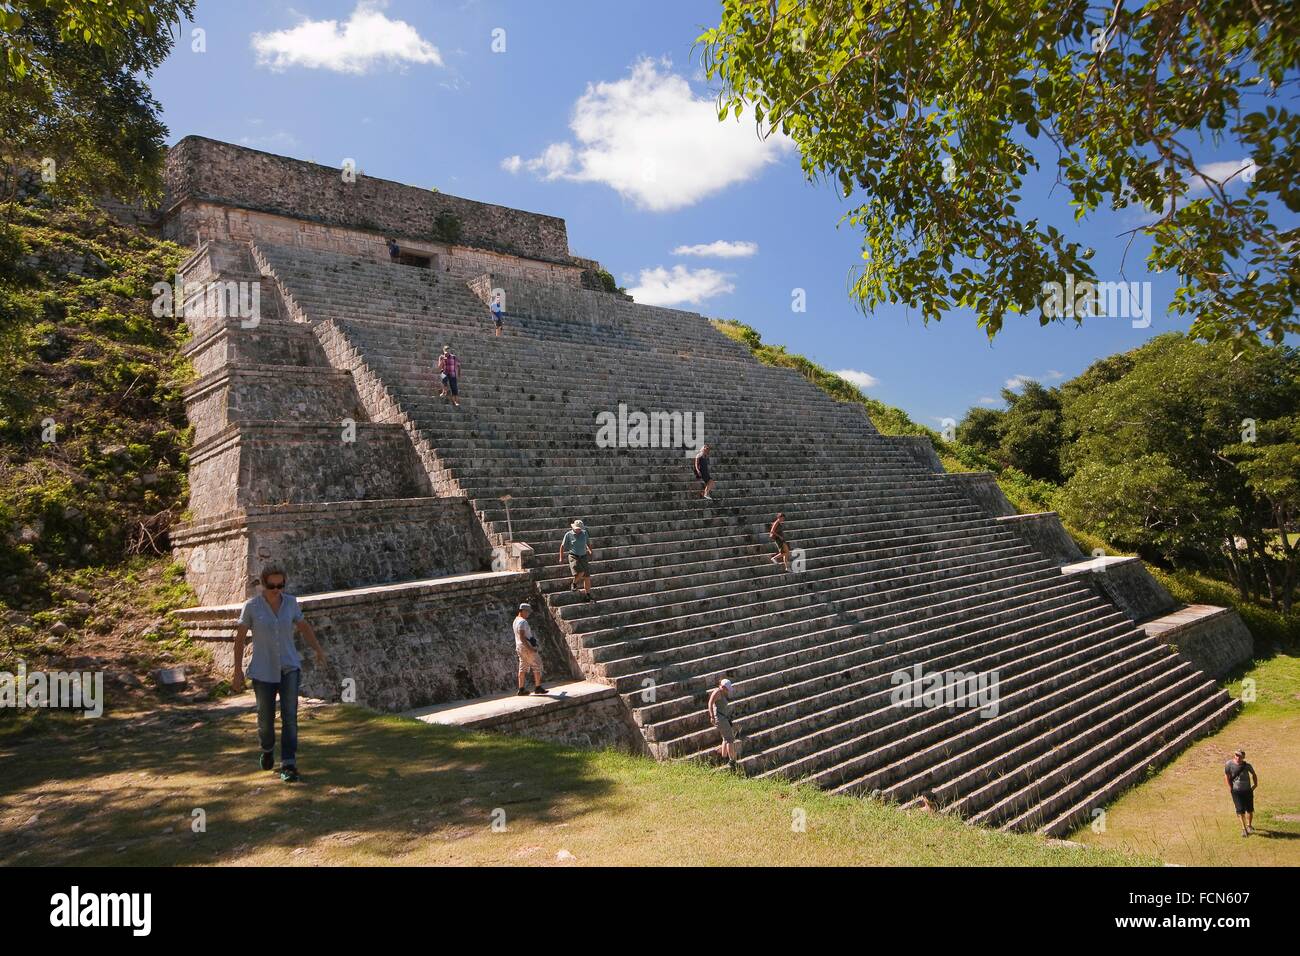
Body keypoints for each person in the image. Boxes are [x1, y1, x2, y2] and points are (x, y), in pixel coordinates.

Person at [231, 566, 328, 783]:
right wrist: (237, 671)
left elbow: (303, 627)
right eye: (272, 586)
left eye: (280, 585)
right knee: (265, 719)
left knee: (290, 717)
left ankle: (288, 763)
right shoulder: (252, 607)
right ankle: (267, 749)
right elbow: (239, 639)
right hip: (263, 670)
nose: (277, 590)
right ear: (263, 585)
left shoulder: (291, 603)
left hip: (289, 667)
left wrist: (318, 650)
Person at [513, 603, 546, 695]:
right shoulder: (522, 622)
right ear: (523, 611)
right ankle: (538, 687)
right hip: (525, 646)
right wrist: (531, 648)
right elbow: (522, 637)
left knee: (523, 667)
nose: (528, 614)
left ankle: (521, 689)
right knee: (537, 664)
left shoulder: (515, 621)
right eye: (527, 612)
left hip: (519, 647)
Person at [1225, 748, 1258, 837]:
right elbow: (1227, 776)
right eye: (1236, 755)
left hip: (1247, 791)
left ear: (1243, 757)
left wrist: (1255, 785)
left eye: (1240, 756)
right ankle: (1244, 829)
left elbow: (1254, 774)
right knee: (1240, 811)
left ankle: (1249, 825)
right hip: (1236, 791)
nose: (1238, 757)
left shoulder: (1247, 766)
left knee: (1250, 810)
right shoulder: (1229, 764)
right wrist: (1230, 787)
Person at [559, 519, 595, 601]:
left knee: (587, 576)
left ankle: (588, 595)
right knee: (581, 572)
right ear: (574, 528)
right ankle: (574, 583)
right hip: (574, 556)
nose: (579, 530)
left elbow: (588, 543)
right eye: (577, 529)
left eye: (580, 529)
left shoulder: (584, 533)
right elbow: (562, 546)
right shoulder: (568, 535)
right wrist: (561, 558)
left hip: (583, 556)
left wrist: (590, 550)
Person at [708, 678, 740, 768]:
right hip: (720, 718)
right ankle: (732, 760)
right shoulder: (717, 692)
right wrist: (712, 716)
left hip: (723, 717)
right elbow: (710, 703)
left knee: (725, 738)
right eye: (727, 689)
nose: (728, 691)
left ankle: (724, 756)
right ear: (722, 686)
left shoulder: (722, 692)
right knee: (730, 739)